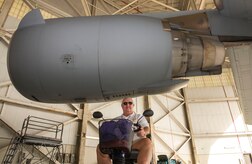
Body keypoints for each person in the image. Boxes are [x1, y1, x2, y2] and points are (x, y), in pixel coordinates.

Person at [96, 97, 153, 164]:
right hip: (118, 144)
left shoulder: (139, 117)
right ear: (122, 106)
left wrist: (143, 132)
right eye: (125, 103)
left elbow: (147, 128)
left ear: (133, 105)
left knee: (147, 142)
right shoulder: (116, 119)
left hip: (134, 143)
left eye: (130, 103)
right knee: (100, 147)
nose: (128, 105)